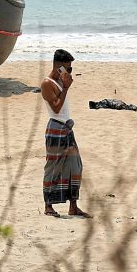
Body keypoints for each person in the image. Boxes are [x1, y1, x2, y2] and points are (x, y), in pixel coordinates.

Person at [41, 49, 86, 218]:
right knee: (53, 167)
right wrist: (66, 88)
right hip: (55, 128)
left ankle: (73, 206)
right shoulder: (47, 84)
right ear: (59, 67)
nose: (69, 72)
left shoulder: (60, 80)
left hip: (67, 128)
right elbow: (56, 107)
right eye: (68, 68)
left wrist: (65, 85)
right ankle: (48, 205)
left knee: (75, 166)